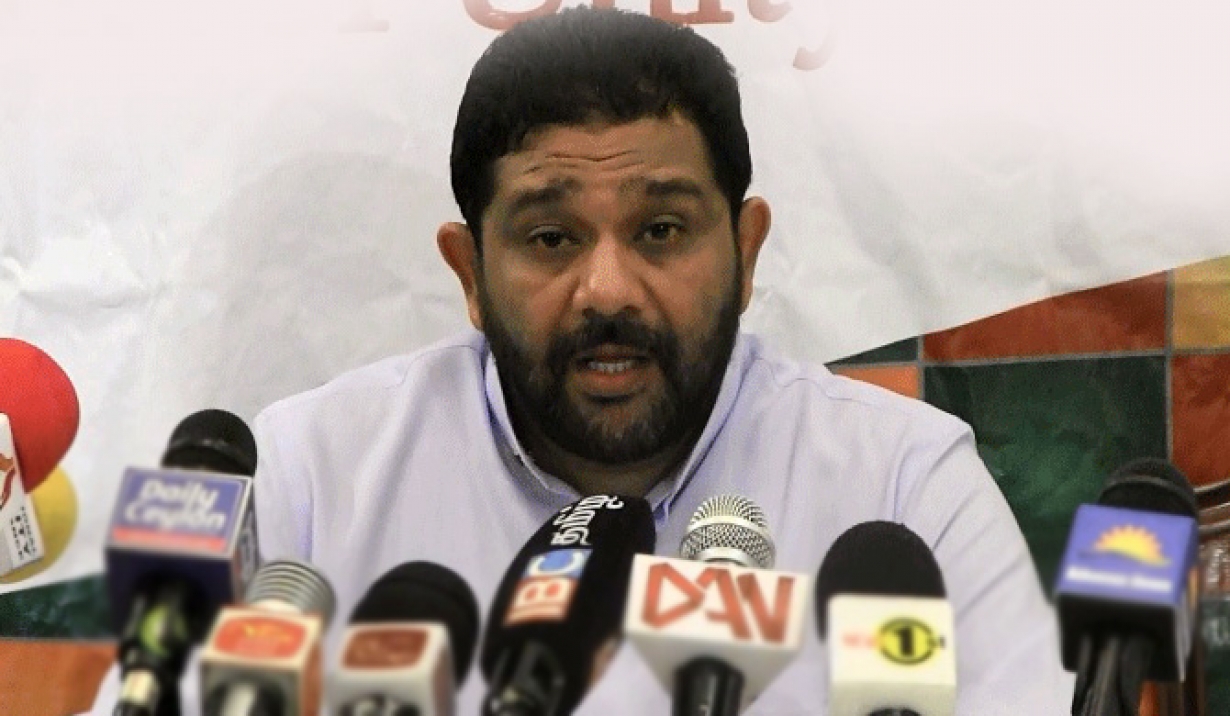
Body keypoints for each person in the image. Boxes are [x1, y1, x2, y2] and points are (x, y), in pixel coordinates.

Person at [88, 7, 1068, 715]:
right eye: (551, 238)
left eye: (661, 230)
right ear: (470, 272)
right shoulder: (306, 477)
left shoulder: (903, 487)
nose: (607, 290)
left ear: (747, 251)